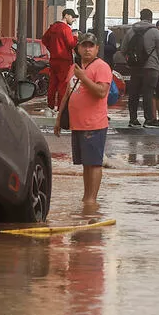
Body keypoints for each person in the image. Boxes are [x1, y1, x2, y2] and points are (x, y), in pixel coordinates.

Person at [53, 32, 114, 209]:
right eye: (84, 46)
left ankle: (91, 200)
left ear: (97, 49)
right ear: (78, 48)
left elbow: (101, 92)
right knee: (85, 164)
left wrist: (84, 78)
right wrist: (59, 118)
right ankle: (86, 198)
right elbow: (67, 93)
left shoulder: (101, 67)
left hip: (94, 123)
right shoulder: (75, 67)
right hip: (77, 123)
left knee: (94, 163)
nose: (87, 49)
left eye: (91, 46)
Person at [126, 9, 159, 128]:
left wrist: (131, 62)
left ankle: (133, 119)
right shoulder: (155, 32)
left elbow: (123, 50)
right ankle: (148, 119)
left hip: (135, 68)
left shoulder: (131, 31)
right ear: (151, 18)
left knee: (133, 94)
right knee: (148, 93)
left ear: (140, 17)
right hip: (151, 68)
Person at [41, 9, 79, 111]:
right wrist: (75, 37)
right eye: (72, 17)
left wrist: (52, 49)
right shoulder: (65, 29)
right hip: (64, 60)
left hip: (53, 59)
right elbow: (71, 44)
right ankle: (61, 108)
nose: (73, 19)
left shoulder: (53, 27)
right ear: (66, 16)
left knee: (53, 84)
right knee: (63, 84)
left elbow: (44, 40)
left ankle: (50, 106)